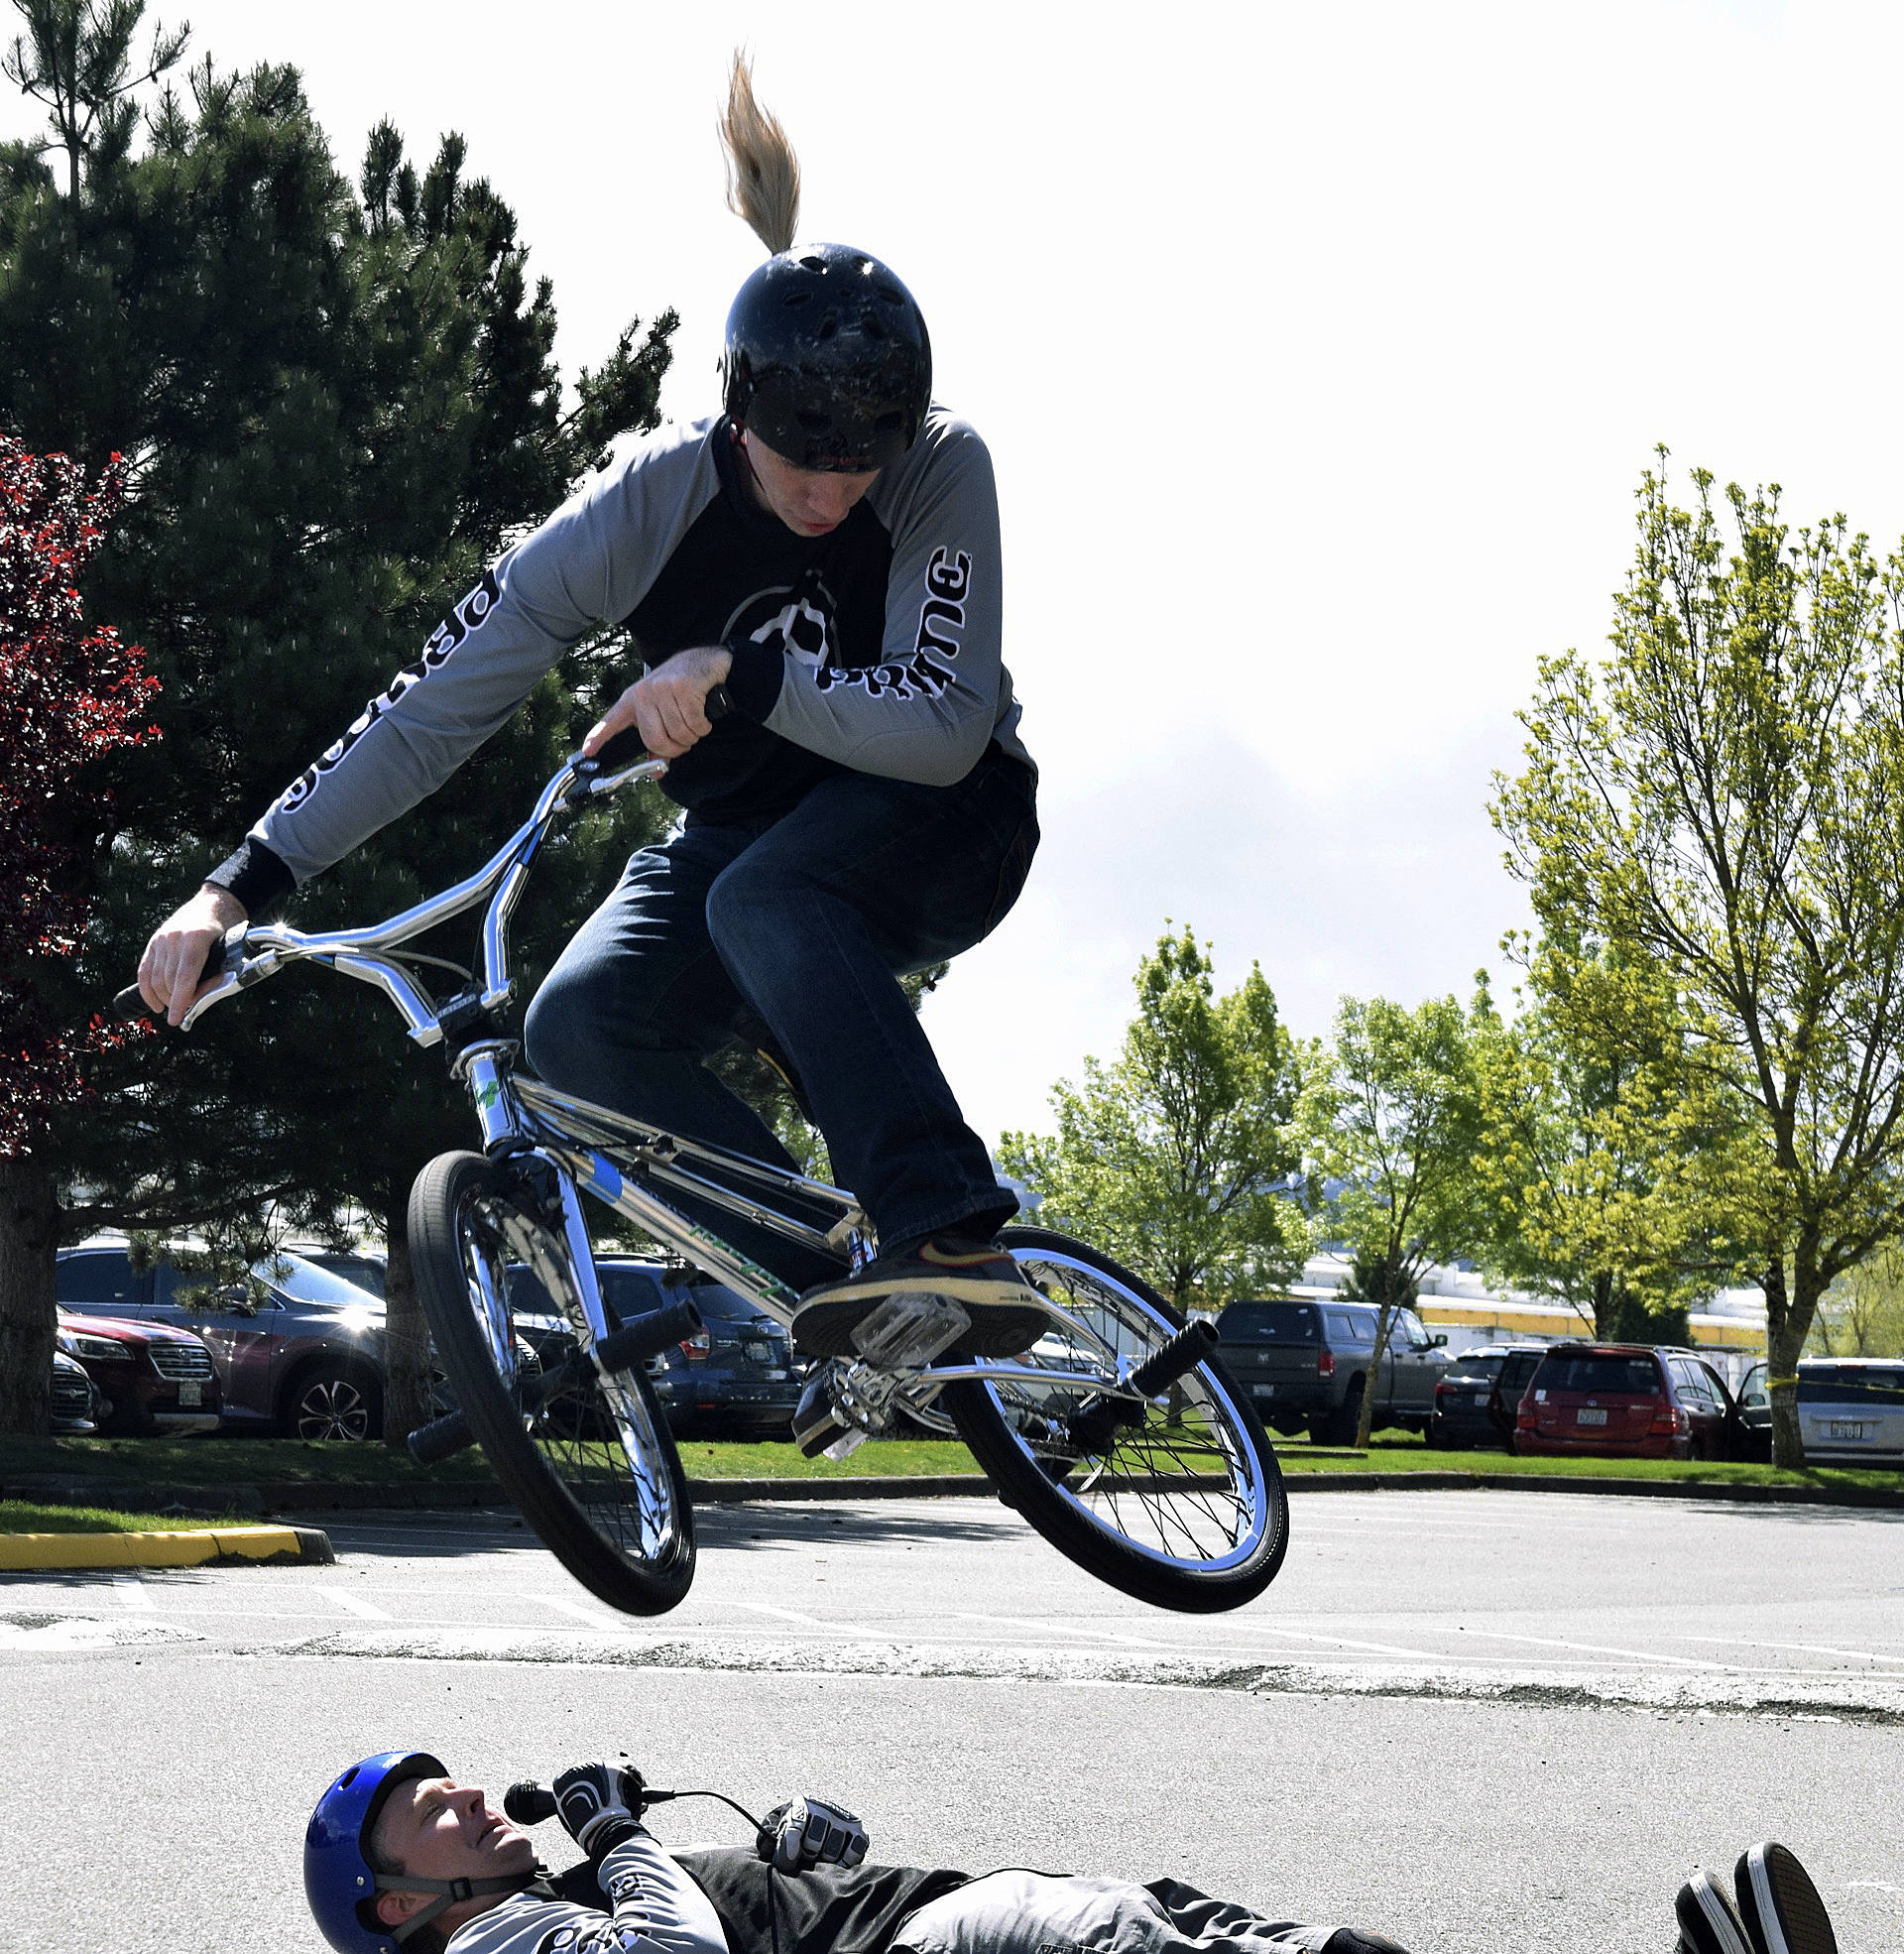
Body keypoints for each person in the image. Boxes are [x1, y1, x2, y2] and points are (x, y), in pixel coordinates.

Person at [134, 54, 1048, 1364]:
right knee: (576, 1024)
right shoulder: (637, 511)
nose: (834, 496)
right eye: (805, 464)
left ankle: (949, 1228)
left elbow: (941, 723)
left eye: (863, 463)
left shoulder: (943, 467)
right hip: (743, 845)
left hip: (942, 819)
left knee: (765, 897)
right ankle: (840, 1292)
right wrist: (237, 884)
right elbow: (430, 708)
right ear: (741, 420)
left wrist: (742, 676)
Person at [301, 1752, 1844, 1954]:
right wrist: (628, 1829)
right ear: (395, 1904)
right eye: (419, 1811)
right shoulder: (493, 1952)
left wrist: (795, 1842)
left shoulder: (541, 1909)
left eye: (445, 1782)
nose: (456, 1796)